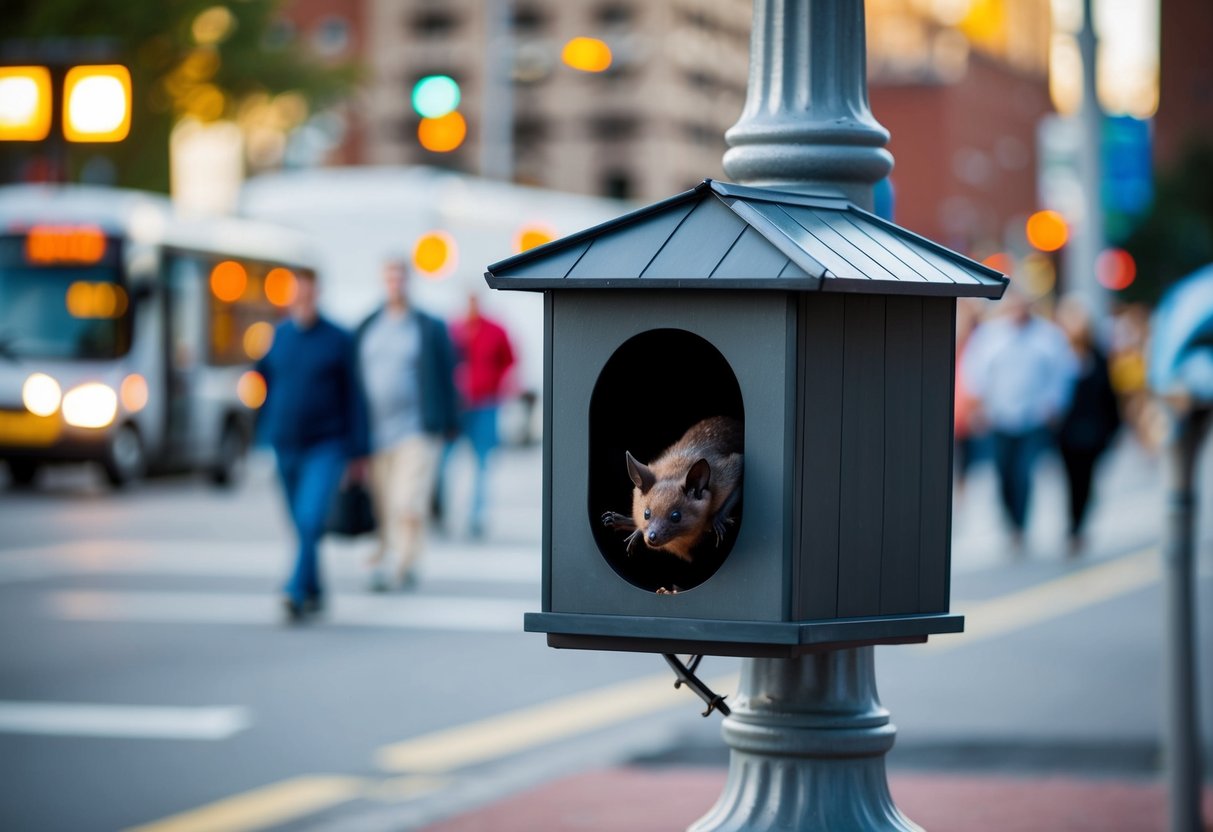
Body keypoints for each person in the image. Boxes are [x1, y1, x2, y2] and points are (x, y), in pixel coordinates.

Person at [256, 271, 368, 622]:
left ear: (317, 293)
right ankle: (315, 589)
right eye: (296, 293)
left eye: (307, 292)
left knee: (309, 518)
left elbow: (355, 397)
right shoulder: (279, 335)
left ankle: (295, 590)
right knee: (302, 526)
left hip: (327, 444)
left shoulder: (338, 338)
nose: (302, 299)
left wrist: (359, 452)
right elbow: (263, 381)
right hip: (285, 444)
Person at [356, 259, 460, 591]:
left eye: (400, 277)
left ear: (409, 281)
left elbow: (447, 375)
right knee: (385, 504)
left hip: (417, 430)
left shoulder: (428, 326)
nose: (395, 283)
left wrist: (451, 422)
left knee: (407, 502)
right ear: (382, 281)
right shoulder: (368, 325)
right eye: (389, 277)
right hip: (375, 432)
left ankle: (397, 567)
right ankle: (406, 556)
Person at [961, 286, 1078, 550]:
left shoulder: (1047, 336)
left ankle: (1021, 525)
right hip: (999, 416)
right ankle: (1010, 522)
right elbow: (975, 372)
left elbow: (1062, 374)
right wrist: (978, 407)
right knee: (1003, 472)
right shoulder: (991, 336)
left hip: (1032, 417)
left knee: (1024, 472)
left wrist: (1054, 406)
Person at [435, 292, 516, 538]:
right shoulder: (453, 330)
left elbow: (509, 361)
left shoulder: (494, 330)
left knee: (482, 463)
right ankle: (439, 509)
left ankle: (477, 517)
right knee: (444, 461)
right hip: (458, 408)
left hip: (485, 404)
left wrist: (496, 386)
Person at [1054, 296, 1121, 555]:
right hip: (1067, 432)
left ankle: (1079, 524)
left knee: (1087, 479)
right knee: (1070, 479)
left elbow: (1110, 395)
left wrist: (1113, 429)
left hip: (1094, 431)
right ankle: (1073, 526)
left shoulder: (1099, 357)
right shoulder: (1058, 353)